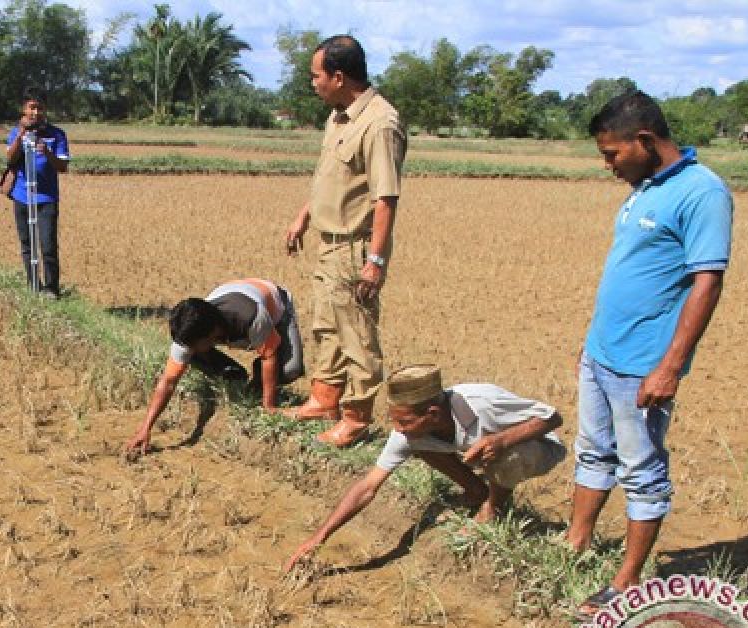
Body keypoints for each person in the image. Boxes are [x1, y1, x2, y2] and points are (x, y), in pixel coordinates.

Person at [563, 91, 733, 617]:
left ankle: (628, 580)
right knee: (593, 450)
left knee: (641, 468)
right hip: (602, 352)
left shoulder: (703, 193)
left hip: (643, 365)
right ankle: (576, 541)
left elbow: (707, 282)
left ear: (644, 140)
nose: (607, 165)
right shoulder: (642, 188)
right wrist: (592, 344)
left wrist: (668, 367)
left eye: (613, 154)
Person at [284, 365, 565, 573]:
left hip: (533, 446)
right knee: (419, 445)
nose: (398, 430)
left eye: (404, 422)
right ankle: (476, 489)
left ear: (431, 414)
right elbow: (368, 487)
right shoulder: (409, 432)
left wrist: (502, 440)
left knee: (510, 457)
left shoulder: (482, 402)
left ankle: (492, 508)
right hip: (481, 450)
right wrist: (319, 537)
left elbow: (552, 417)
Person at [282, 34, 406, 448]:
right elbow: (330, 180)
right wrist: (303, 215)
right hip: (328, 242)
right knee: (327, 326)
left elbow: (385, 199)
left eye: (316, 75)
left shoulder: (379, 123)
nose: (312, 83)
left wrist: (376, 261)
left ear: (338, 76)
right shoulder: (338, 117)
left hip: (355, 247)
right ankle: (324, 399)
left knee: (357, 335)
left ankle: (356, 418)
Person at [125, 279, 304, 458]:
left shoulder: (251, 317)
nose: (189, 348)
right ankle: (234, 375)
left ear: (212, 333)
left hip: (276, 306)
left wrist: (269, 406)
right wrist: (145, 428)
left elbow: (269, 356)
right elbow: (169, 381)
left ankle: (259, 379)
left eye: (195, 344)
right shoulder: (189, 331)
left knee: (290, 369)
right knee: (188, 356)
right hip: (234, 301)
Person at [5, 87, 70, 298]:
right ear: (23, 109)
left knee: (47, 244)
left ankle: (51, 288)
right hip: (22, 196)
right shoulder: (16, 132)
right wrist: (21, 136)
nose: (35, 112)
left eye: (39, 108)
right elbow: (10, 159)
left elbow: (63, 166)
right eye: (32, 107)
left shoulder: (57, 135)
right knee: (27, 244)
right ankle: (34, 285)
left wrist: (47, 152)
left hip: (46, 198)